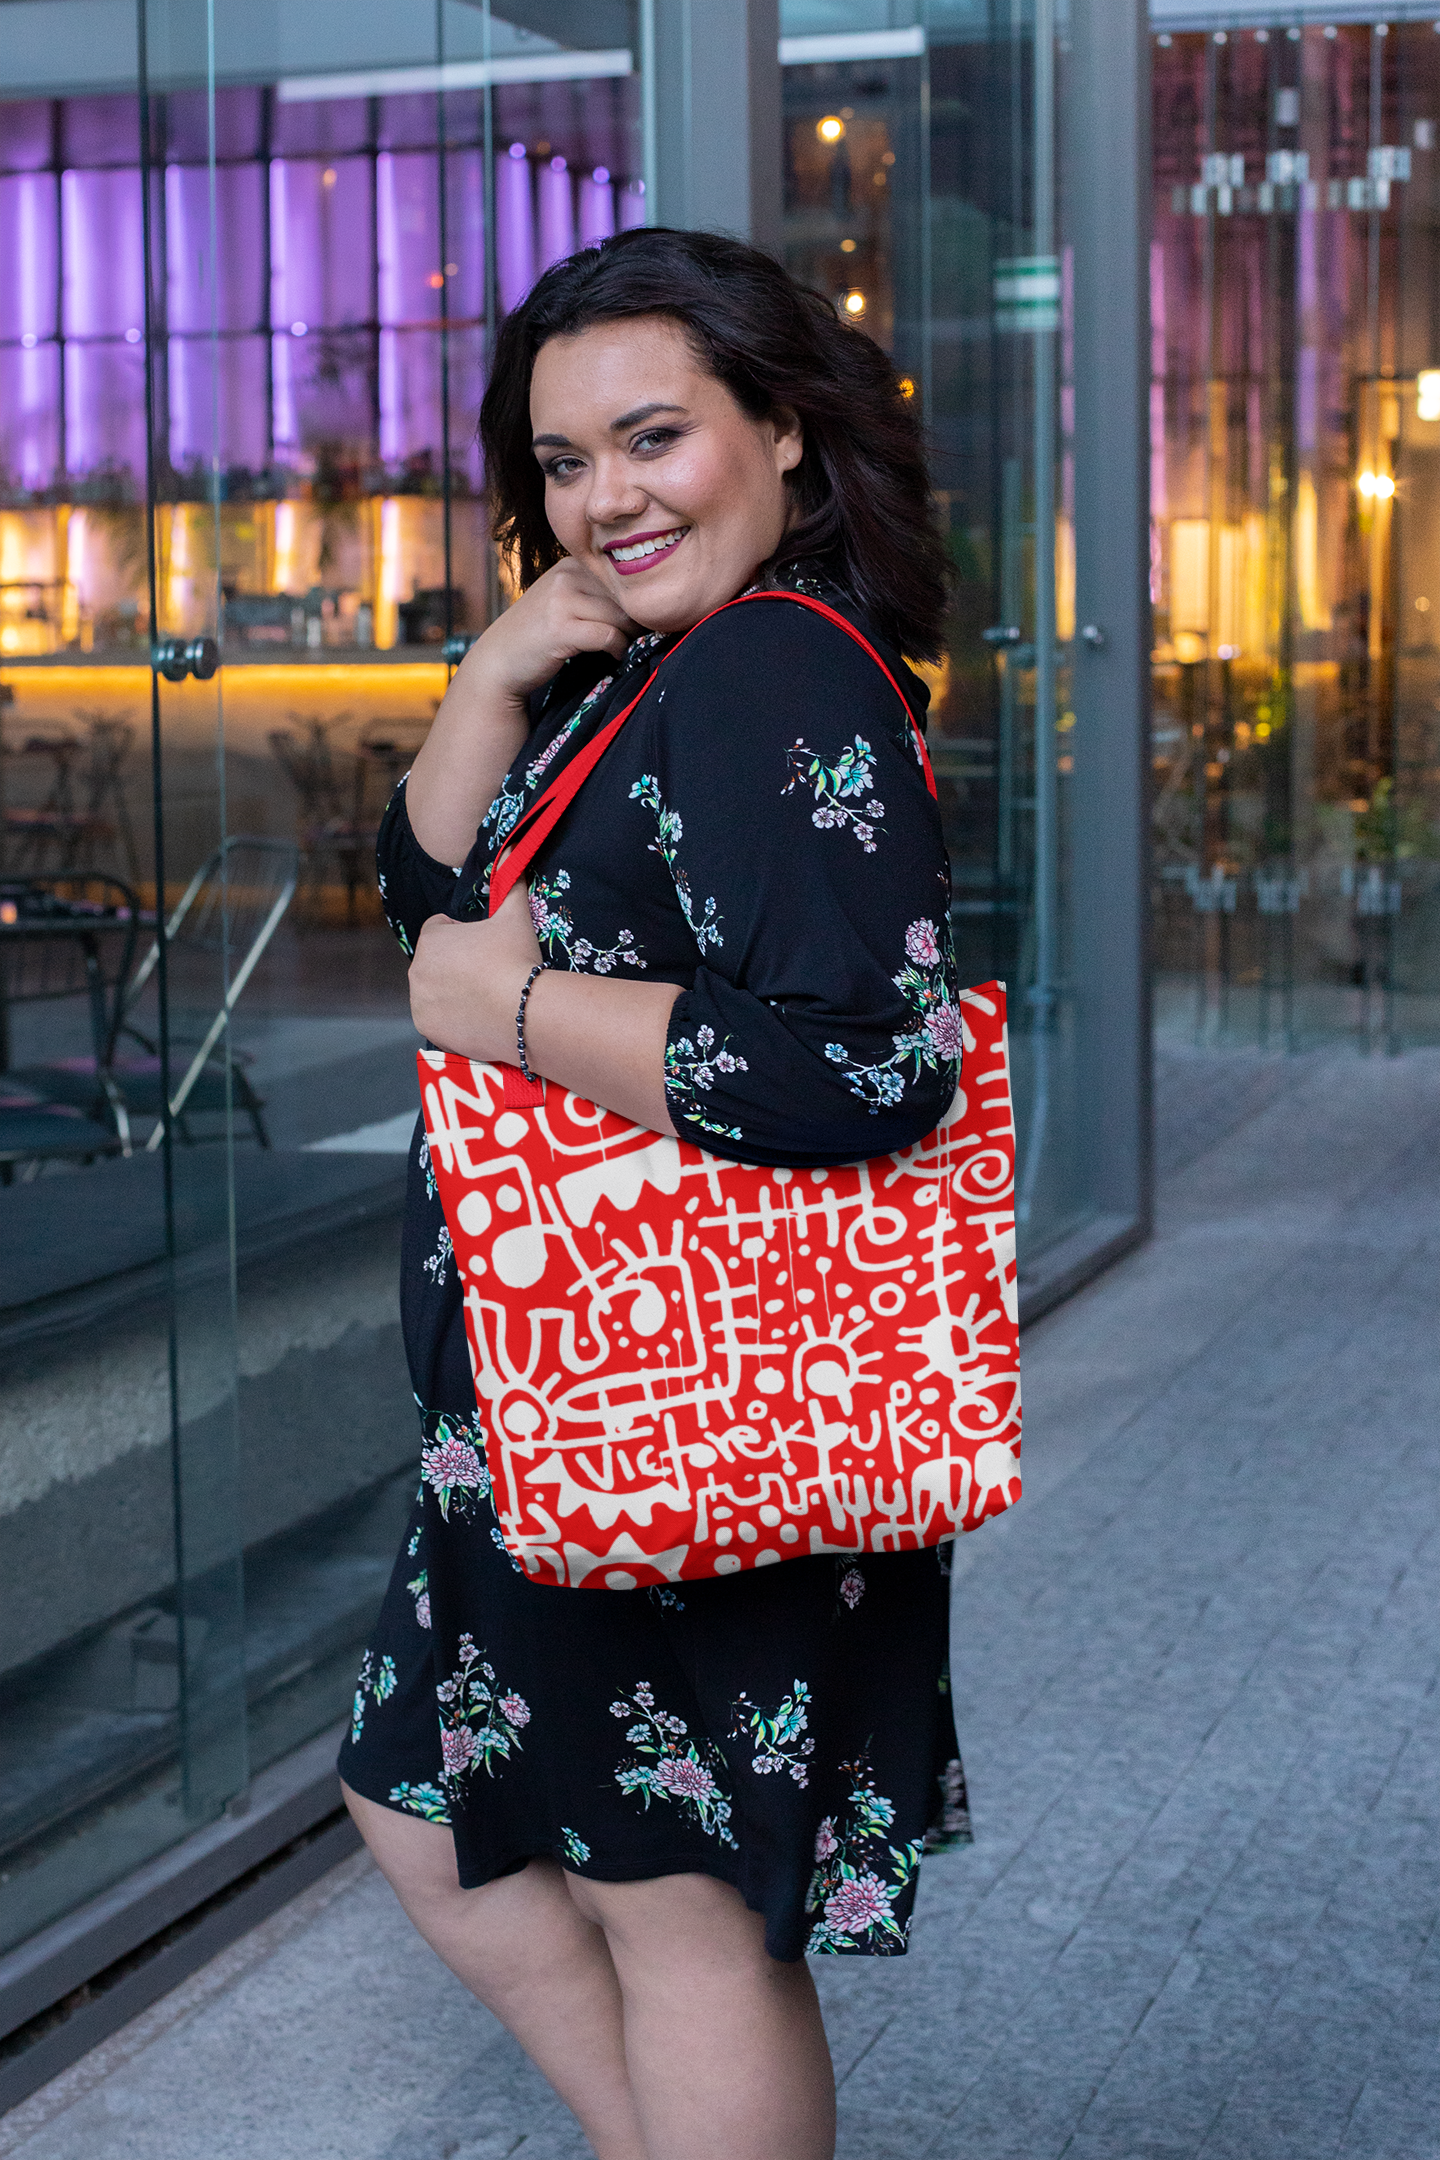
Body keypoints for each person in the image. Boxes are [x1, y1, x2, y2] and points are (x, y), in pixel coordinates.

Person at [340, 226, 969, 2160]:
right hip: (559, 1404)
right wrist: (508, 654)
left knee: (671, 1909)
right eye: (561, 462)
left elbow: (867, 1064)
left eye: (652, 439)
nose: (605, 497)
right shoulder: (662, 659)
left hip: (673, 1398)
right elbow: (424, 897)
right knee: (423, 1798)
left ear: (781, 431)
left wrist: (513, 1005)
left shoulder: (773, 670)